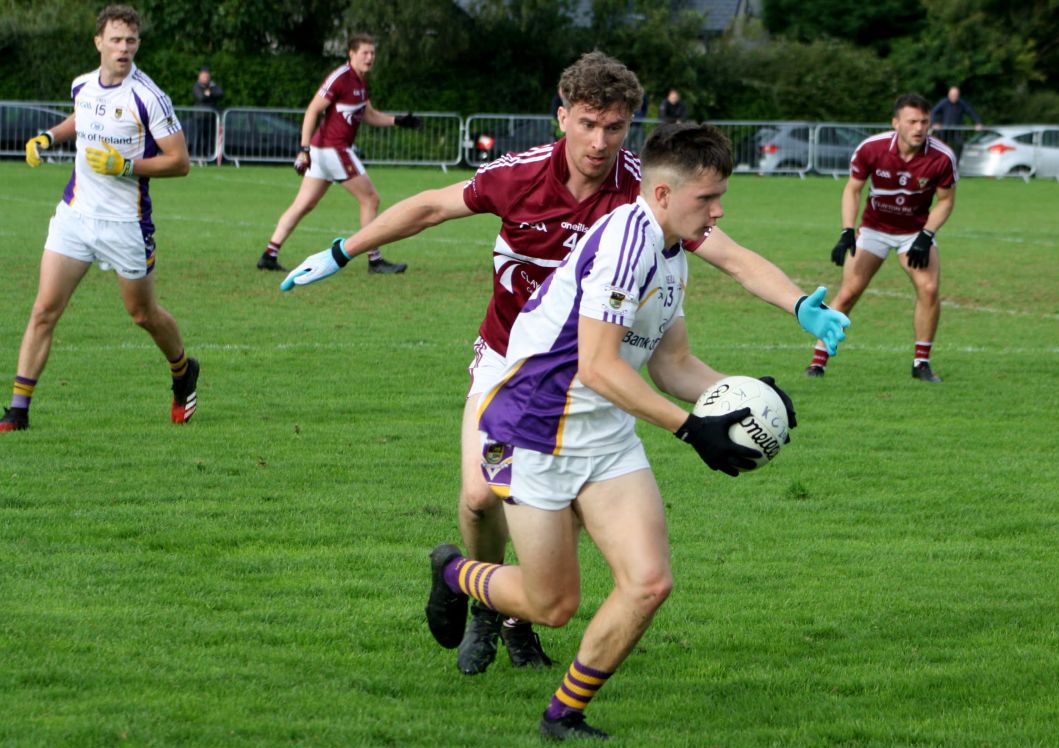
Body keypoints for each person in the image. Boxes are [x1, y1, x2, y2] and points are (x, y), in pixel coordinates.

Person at [277, 52, 848, 676]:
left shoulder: (648, 192)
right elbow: (431, 207)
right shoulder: (520, 175)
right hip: (508, 363)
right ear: (562, 119)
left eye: (615, 127)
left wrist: (799, 305)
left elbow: (731, 256)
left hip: (593, 374)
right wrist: (342, 249)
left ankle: (519, 616)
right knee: (477, 497)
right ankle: (485, 602)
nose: (600, 142)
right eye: (587, 124)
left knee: (567, 502)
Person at [426, 123, 797, 741]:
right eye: (706, 199)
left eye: (719, 196)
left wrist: (744, 400)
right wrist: (690, 430)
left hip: (604, 430)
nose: (718, 210)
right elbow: (596, 367)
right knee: (552, 606)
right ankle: (451, 571)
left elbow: (671, 362)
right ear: (660, 194)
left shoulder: (672, 252)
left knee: (649, 582)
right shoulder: (628, 240)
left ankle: (563, 716)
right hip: (536, 424)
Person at [3, 4, 198, 433]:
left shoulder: (149, 97)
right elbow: (82, 117)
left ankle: (183, 371)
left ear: (137, 44)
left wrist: (125, 166)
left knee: (142, 314)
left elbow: (179, 162)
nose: (123, 48)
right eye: (115, 40)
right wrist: (49, 136)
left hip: (125, 224)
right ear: (99, 43)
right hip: (74, 215)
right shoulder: (82, 85)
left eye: (130, 41)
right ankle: (17, 411)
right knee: (43, 310)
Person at [812, 93, 957, 383]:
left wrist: (926, 235)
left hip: (914, 232)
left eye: (924, 122)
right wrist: (846, 231)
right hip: (874, 229)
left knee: (928, 289)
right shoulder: (871, 148)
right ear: (896, 123)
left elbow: (945, 200)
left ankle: (921, 363)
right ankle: (818, 360)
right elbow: (853, 189)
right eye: (912, 121)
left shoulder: (941, 157)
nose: (919, 128)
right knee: (849, 291)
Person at [256, 33, 420, 274]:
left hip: (325, 152)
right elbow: (312, 110)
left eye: (372, 53)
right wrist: (303, 149)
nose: (370, 57)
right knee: (370, 199)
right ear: (351, 54)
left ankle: (269, 254)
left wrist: (399, 121)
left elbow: (369, 115)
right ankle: (374, 259)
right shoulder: (340, 78)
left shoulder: (360, 82)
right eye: (365, 52)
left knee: (303, 204)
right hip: (333, 149)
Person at [929, 86, 982, 155]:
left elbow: (971, 112)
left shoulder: (961, 103)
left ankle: (956, 162)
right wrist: (934, 123)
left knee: (960, 144)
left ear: (958, 95)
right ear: (949, 95)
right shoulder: (944, 102)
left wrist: (978, 122)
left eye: (955, 95)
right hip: (944, 131)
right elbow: (933, 112)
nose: (953, 97)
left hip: (957, 131)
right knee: (941, 146)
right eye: (952, 95)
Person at [191, 66, 223, 159]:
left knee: (210, 138)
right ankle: (195, 156)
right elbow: (201, 97)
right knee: (198, 137)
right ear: (199, 76)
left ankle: (208, 156)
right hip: (199, 116)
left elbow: (220, 93)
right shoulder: (196, 86)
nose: (206, 78)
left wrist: (210, 93)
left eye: (207, 76)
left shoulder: (212, 85)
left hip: (211, 116)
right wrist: (209, 95)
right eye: (204, 76)